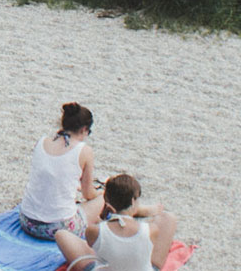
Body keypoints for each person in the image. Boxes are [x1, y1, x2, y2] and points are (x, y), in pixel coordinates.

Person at [56, 173, 179, 271]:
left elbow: (92, 244)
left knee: (61, 235)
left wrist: (104, 218)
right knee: (168, 218)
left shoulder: (95, 230)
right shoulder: (150, 229)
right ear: (132, 201)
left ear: (107, 203)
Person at [18, 102, 102, 243]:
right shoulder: (84, 151)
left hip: (27, 221)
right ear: (84, 129)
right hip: (58, 229)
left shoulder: (42, 142)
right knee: (102, 200)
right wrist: (100, 193)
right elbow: (88, 194)